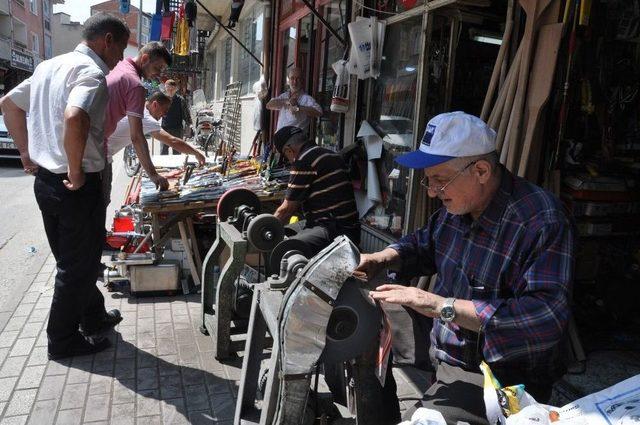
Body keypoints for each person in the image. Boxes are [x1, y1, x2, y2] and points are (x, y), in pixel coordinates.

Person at [356, 112, 575, 424]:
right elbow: (422, 244)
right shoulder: (456, 209)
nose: (431, 192)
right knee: (365, 324)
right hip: (446, 349)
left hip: (500, 374)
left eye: (440, 180)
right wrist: (384, 256)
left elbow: (544, 317)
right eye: (428, 180)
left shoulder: (540, 220)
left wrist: (442, 306)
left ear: (482, 170)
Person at [0, 13, 131, 359]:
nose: (119, 60)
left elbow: (8, 104)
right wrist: (75, 170)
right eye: (119, 51)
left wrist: (27, 152)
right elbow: (76, 117)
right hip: (74, 186)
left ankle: (93, 316)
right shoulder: (91, 73)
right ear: (107, 40)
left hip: (46, 182)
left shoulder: (48, 67)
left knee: (75, 260)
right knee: (77, 266)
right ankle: (62, 340)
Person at [104, 91, 206, 205]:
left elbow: (139, 145)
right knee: (101, 202)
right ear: (155, 105)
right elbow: (173, 141)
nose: (164, 115)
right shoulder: (146, 118)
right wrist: (196, 153)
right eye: (164, 111)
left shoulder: (137, 109)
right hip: (100, 157)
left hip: (100, 154)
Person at [272, 126, 360, 256]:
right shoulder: (328, 153)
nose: (289, 161)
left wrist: (263, 229)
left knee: (283, 250)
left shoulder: (304, 160)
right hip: (347, 226)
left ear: (289, 150)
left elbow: (286, 210)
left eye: (286, 157)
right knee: (286, 232)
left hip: (336, 229)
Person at [103, 41, 172, 201]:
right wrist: (154, 175)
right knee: (97, 211)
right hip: (97, 155)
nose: (159, 74)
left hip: (88, 151)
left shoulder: (120, 67)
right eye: (157, 68)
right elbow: (137, 137)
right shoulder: (135, 84)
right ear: (145, 58)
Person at [266, 67, 322, 132]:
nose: (295, 82)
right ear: (288, 80)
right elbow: (268, 105)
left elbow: (319, 112)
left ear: (302, 80)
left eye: (298, 79)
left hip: (295, 139)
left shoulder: (306, 98)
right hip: (280, 138)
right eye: (292, 78)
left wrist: (298, 108)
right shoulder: (284, 95)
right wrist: (287, 101)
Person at [161, 79, 193, 154]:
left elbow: (186, 114)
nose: (170, 90)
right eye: (168, 88)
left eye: (172, 89)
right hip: (165, 129)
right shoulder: (162, 99)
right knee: (163, 151)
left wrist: (189, 125)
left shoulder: (181, 100)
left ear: (176, 89)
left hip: (177, 129)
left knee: (177, 152)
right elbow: (157, 113)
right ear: (165, 88)